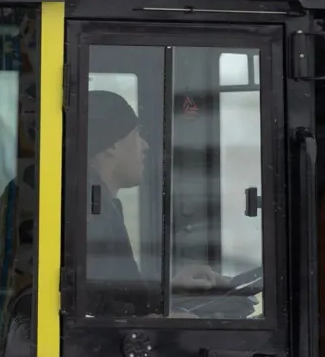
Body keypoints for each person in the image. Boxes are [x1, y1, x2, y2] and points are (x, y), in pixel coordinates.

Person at [84, 91, 222, 316]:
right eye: (137, 135)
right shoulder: (88, 210)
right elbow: (90, 313)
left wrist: (169, 289)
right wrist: (159, 323)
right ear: (111, 144)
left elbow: (110, 296)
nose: (145, 145)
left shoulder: (96, 200)